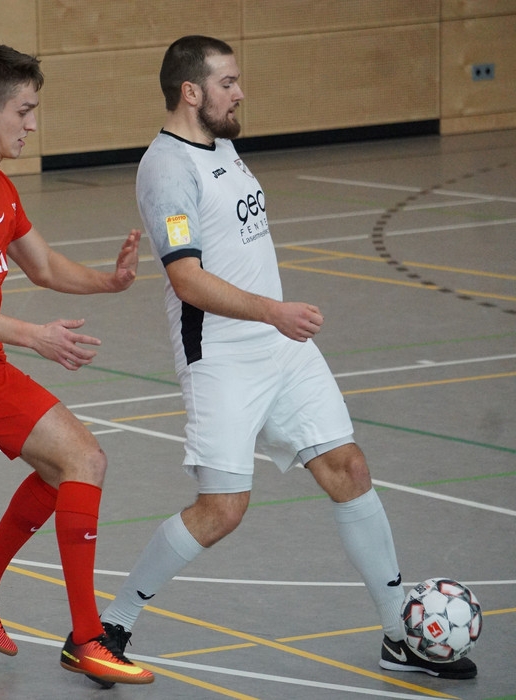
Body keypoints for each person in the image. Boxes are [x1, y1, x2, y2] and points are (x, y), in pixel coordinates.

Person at [96, 35, 477, 683]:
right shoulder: (167, 169)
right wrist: (273, 310)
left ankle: (399, 635)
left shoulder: (223, 147)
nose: (240, 93)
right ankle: (112, 625)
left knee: (348, 468)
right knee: (222, 510)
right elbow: (187, 279)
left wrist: (275, 322)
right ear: (190, 92)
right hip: (220, 358)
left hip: (281, 350)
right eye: (228, 83)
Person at [0, 41, 154, 686]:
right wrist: (33, 337)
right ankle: (87, 640)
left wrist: (110, 282)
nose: (33, 124)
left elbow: (42, 266)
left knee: (60, 471)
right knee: (86, 460)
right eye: (24, 111)